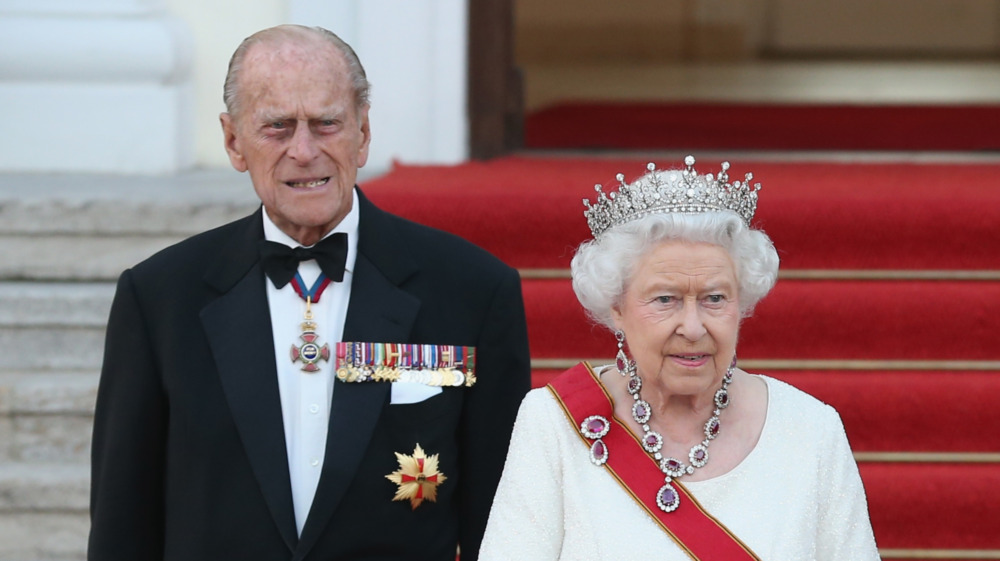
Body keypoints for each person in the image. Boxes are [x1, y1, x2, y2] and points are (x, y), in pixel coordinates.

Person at [88, 24, 530, 561]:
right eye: (277, 127)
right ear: (234, 142)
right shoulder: (158, 298)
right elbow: (122, 523)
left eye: (326, 124)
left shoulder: (473, 290)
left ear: (362, 133)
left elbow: (505, 524)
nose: (304, 151)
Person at [478, 157, 879, 560]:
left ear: (742, 303)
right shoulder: (553, 424)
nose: (693, 326)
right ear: (616, 307)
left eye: (715, 298)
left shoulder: (810, 431)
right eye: (665, 299)